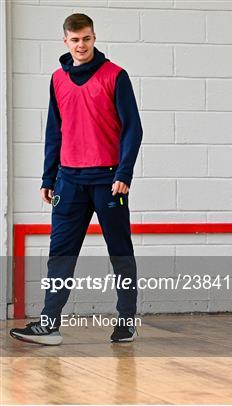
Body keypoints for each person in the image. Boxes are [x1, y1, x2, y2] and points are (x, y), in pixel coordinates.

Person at [10, 13, 142, 345]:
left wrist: (124, 173)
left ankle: (126, 323)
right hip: (68, 181)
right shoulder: (57, 79)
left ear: (94, 38)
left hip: (109, 179)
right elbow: (54, 130)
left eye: (86, 39)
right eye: (74, 40)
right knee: (61, 254)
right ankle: (48, 325)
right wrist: (48, 176)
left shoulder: (115, 76)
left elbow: (133, 129)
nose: (80, 45)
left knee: (120, 252)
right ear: (65, 41)